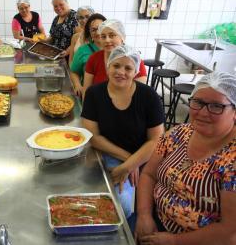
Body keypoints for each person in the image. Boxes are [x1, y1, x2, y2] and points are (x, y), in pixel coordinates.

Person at [135, 72, 236, 245]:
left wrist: (174, 241)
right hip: (155, 223)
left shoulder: (231, 160)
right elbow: (149, 174)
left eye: (216, 106)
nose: (203, 112)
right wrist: (144, 215)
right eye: (198, 102)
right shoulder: (178, 133)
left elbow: (230, 231)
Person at [81, 45, 165, 229]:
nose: (121, 72)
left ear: (136, 71)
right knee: (116, 206)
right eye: (116, 66)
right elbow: (93, 137)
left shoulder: (148, 96)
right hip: (107, 153)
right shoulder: (94, 94)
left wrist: (132, 164)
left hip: (146, 157)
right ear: (108, 66)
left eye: (128, 68)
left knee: (127, 208)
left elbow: (156, 140)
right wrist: (128, 161)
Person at [82, 19, 147, 97]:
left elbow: (139, 96)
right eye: (103, 36)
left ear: (122, 37)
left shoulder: (134, 60)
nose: (107, 40)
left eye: (112, 35)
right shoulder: (94, 59)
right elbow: (86, 91)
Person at [70, 13, 106, 97]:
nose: (97, 32)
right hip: (89, 94)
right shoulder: (83, 50)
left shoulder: (114, 50)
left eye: (100, 28)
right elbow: (74, 71)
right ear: (89, 33)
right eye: (93, 30)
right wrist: (78, 85)